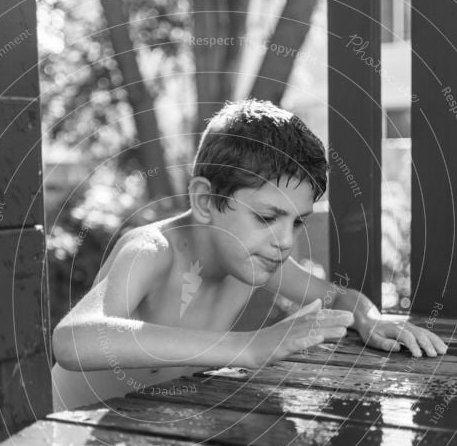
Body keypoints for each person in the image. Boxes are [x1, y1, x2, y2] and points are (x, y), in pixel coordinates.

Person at [51, 99, 447, 411]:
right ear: (206, 200)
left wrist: (368, 318)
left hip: (143, 438)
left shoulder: (253, 258)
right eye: (266, 216)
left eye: (296, 222)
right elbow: (72, 341)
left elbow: (335, 297)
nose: (285, 241)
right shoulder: (153, 252)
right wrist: (251, 347)